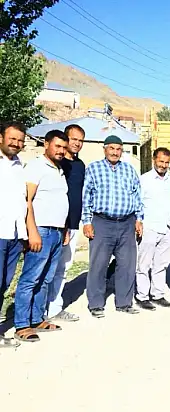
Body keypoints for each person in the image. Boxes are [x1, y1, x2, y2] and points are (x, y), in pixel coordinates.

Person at [13, 130, 69, 342]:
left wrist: (64, 230)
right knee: (30, 278)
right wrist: (32, 232)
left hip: (56, 232)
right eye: (57, 146)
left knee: (46, 278)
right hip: (41, 231)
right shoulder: (36, 166)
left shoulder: (59, 169)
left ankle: (37, 319)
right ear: (46, 144)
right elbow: (27, 200)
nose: (61, 151)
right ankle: (22, 325)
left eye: (64, 147)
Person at [82, 135, 144, 318]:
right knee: (99, 264)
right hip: (102, 222)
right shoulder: (94, 168)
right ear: (105, 149)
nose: (115, 152)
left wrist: (139, 219)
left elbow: (137, 195)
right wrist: (87, 222)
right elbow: (86, 196)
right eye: (112, 148)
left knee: (127, 264)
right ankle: (96, 304)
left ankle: (124, 302)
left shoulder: (129, 169)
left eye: (118, 149)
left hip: (126, 223)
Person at [47, 124, 86, 323]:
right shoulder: (57, 164)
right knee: (47, 268)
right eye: (74, 139)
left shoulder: (80, 165)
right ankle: (38, 310)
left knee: (63, 268)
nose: (77, 143)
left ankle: (54, 308)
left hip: (73, 224)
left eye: (81, 140)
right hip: (54, 224)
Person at [134, 147, 170, 310]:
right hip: (149, 227)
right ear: (154, 160)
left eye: (166, 162)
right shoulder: (144, 180)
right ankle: (142, 296)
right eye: (161, 161)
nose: (163, 165)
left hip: (166, 227)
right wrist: (138, 222)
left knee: (161, 264)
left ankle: (158, 294)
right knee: (143, 264)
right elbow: (137, 202)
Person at [0, 122, 27, 347]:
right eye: (12, 138)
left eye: (20, 140)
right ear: (1, 138)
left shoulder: (20, 166)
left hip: (15, 236)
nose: (16, 143)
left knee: (4, 284)